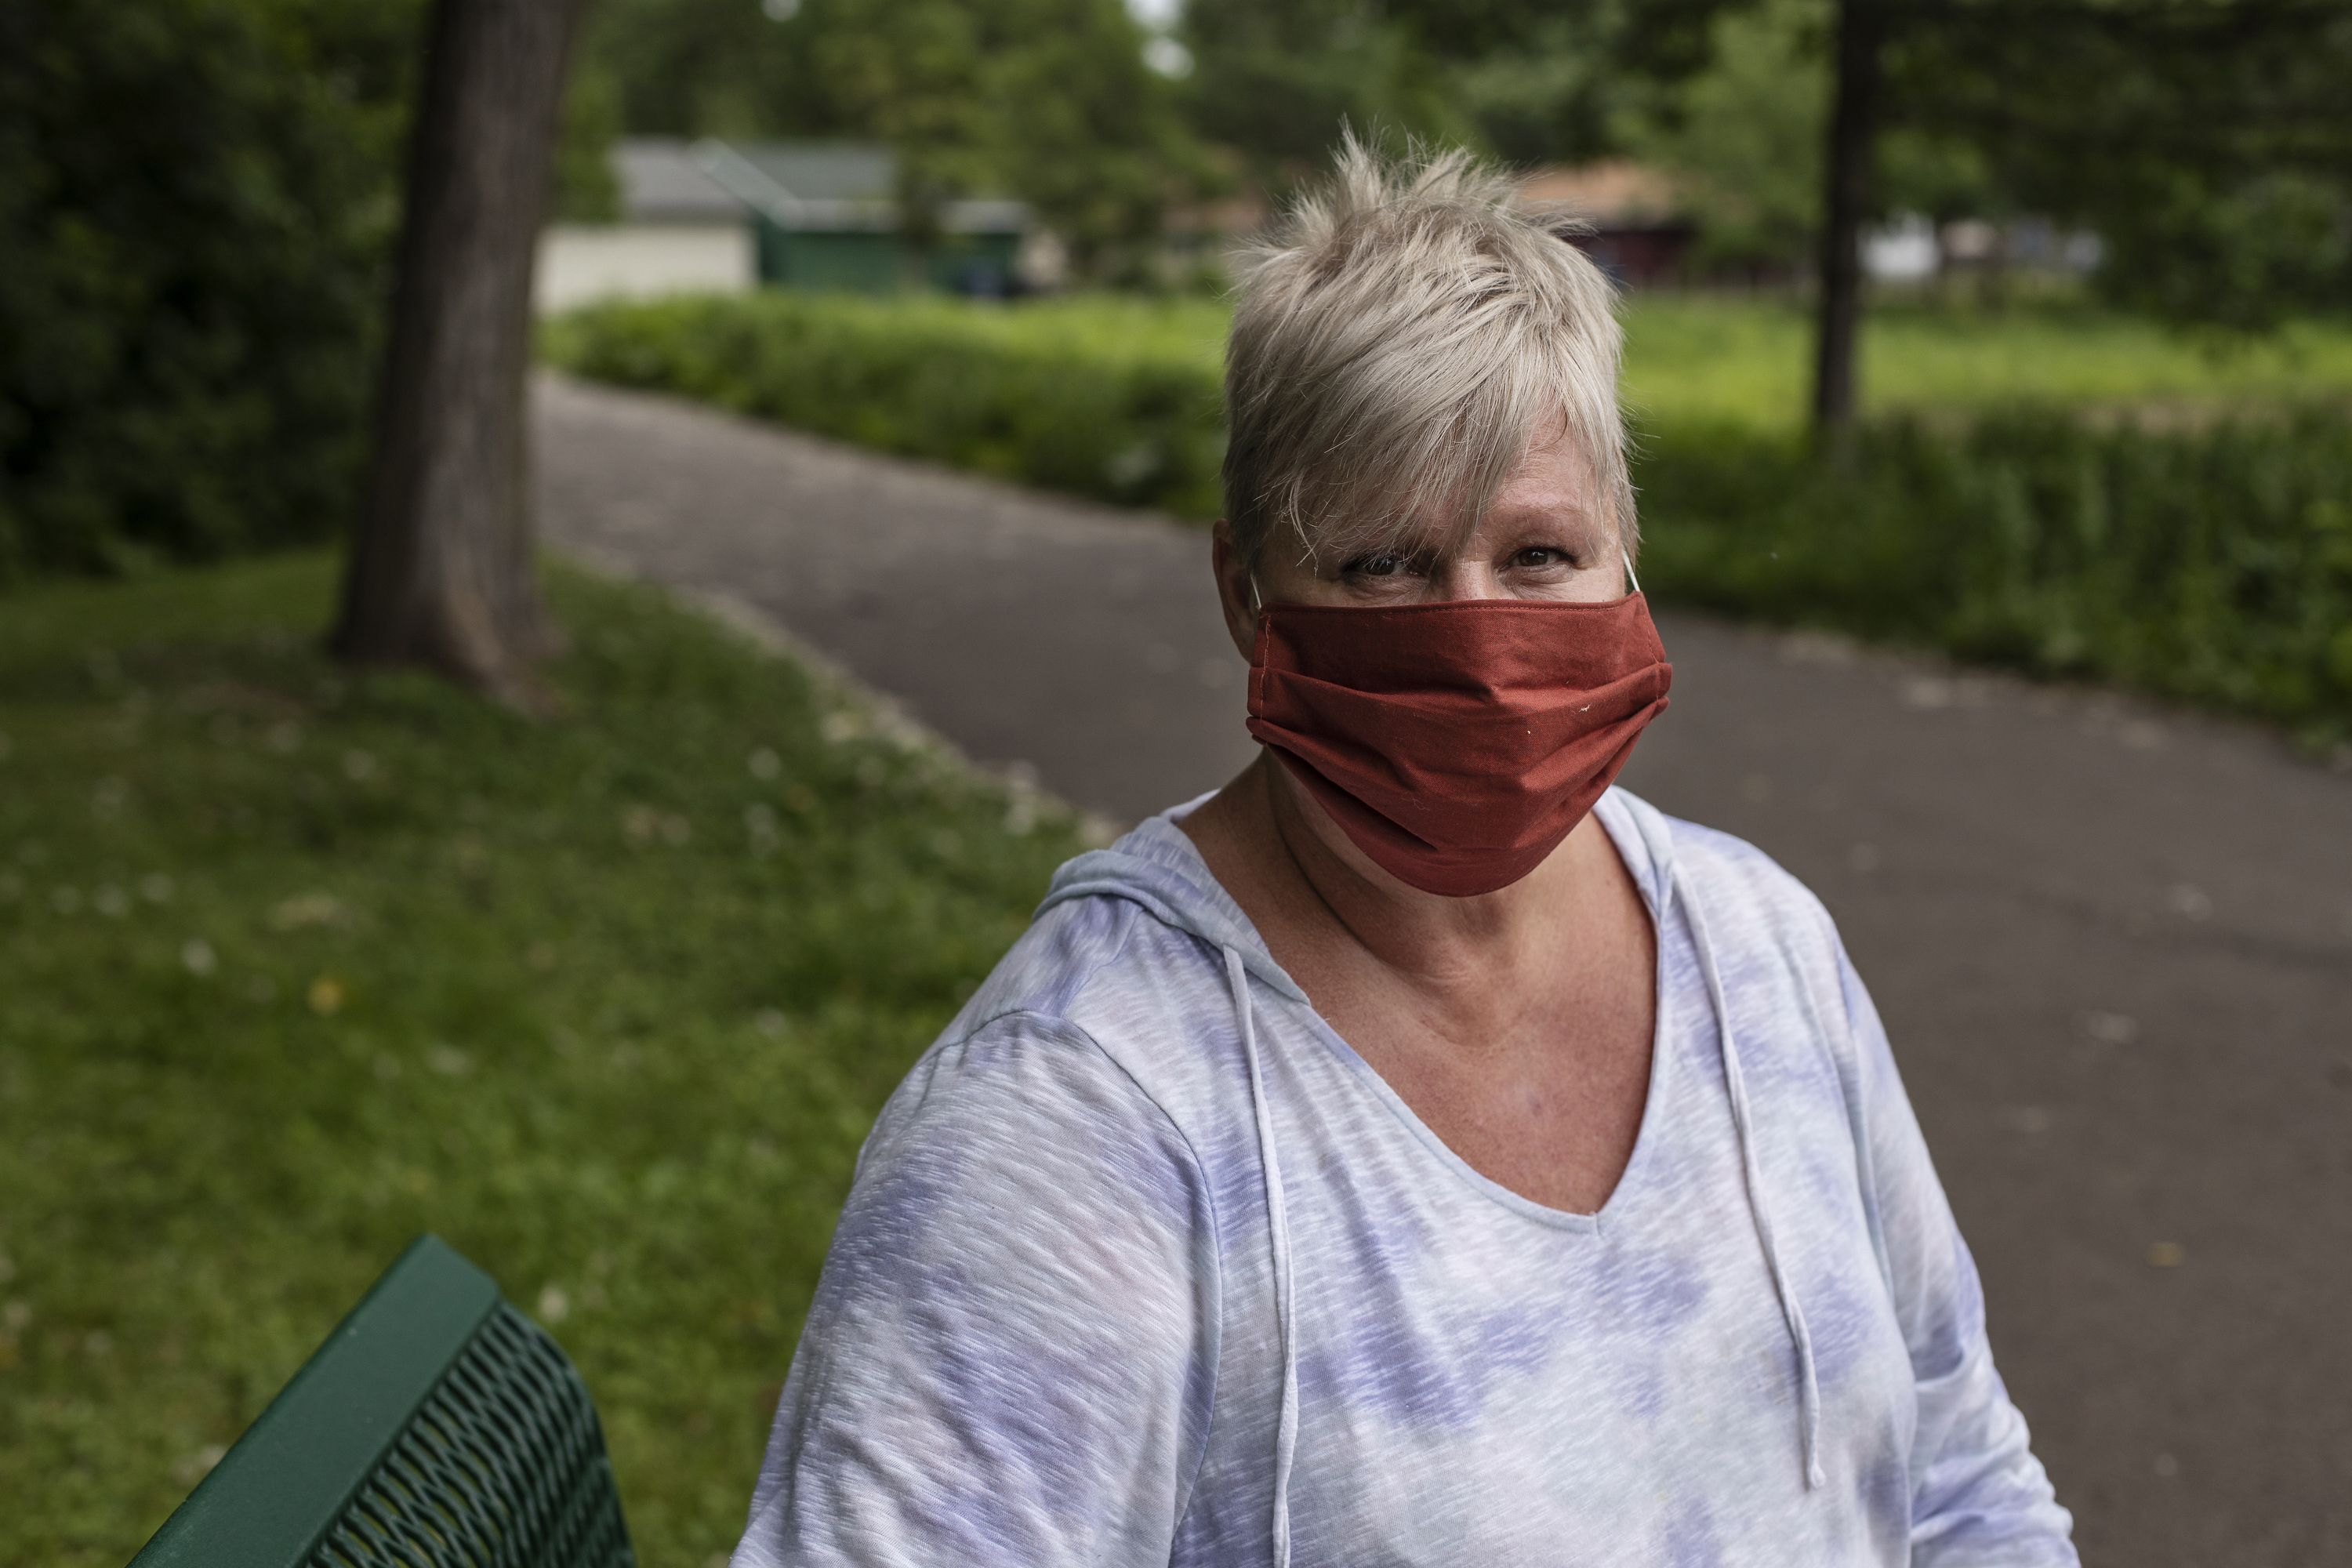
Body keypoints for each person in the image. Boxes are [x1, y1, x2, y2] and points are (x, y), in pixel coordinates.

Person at [732, 141, 2077, 1566]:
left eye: (1542, 557)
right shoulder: (1081, 1120)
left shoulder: (1761, 949)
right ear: (1248, 596)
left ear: (1628, 555)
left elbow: (1959, 1476)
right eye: (1384, 563)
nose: (1478, 634)